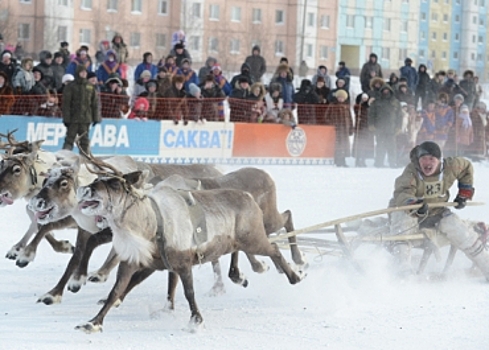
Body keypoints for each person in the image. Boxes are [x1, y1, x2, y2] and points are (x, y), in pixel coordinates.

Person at [387, 141, 489, 280]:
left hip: (437, 211)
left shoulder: (451, 166)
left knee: (460, 230)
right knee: (402, 229)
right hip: (409, 211)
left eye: (431, 159)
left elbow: (466, 167)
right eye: (423, 158)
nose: (427, 162)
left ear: (439, 160)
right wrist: (414, 204)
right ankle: (403, 269)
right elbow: (402, 192)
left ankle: (486, 264)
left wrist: (463, 194)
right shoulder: (412, 171)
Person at [61, 65, 100, 154]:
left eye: (85, 72)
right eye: (82, 72)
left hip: (85, 119)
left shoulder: (90, 87)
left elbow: (94, 104)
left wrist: (96, 117)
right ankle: (64, 156)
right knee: (69, 139)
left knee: (85, 141)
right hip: (73, 118)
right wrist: (66, 118)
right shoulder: (71, 86)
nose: (84, 74)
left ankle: (84, 158)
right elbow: (66, 104)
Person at [368, 84, 402, 168]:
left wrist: (399, 127)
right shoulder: (376, 102)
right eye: (384, 90)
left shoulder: (395, 102)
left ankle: (392, 163)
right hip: (380, 128)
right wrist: (371, 124)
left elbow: (399, 116)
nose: (385, 92)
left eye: (387, 90)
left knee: (392, 147)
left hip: (391, 128)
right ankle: (378, 162)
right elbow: (371, 114)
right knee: (380, 146)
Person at [325, 89, 353, 167]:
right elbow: (326, 117)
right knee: (337, 145)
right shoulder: (332, 105)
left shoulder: (346, 107)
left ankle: (343, 160)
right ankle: (337, 160)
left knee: (344, 145)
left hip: (345, 129)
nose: (341, 99)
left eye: (342, 97)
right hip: (336, 129)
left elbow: (350, 118)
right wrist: (332, 124)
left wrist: (350, 128)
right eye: (339, 97)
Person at [353, 93, 374, 167]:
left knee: (365, 145)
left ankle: (363, 159)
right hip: (360, 128)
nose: (364, 100)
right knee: (359, 144)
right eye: (363, 99)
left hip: (367, 128)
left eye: (366, 99)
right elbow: (356, 110)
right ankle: (358, 159)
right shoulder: (358, 107)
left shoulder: (368, 107)